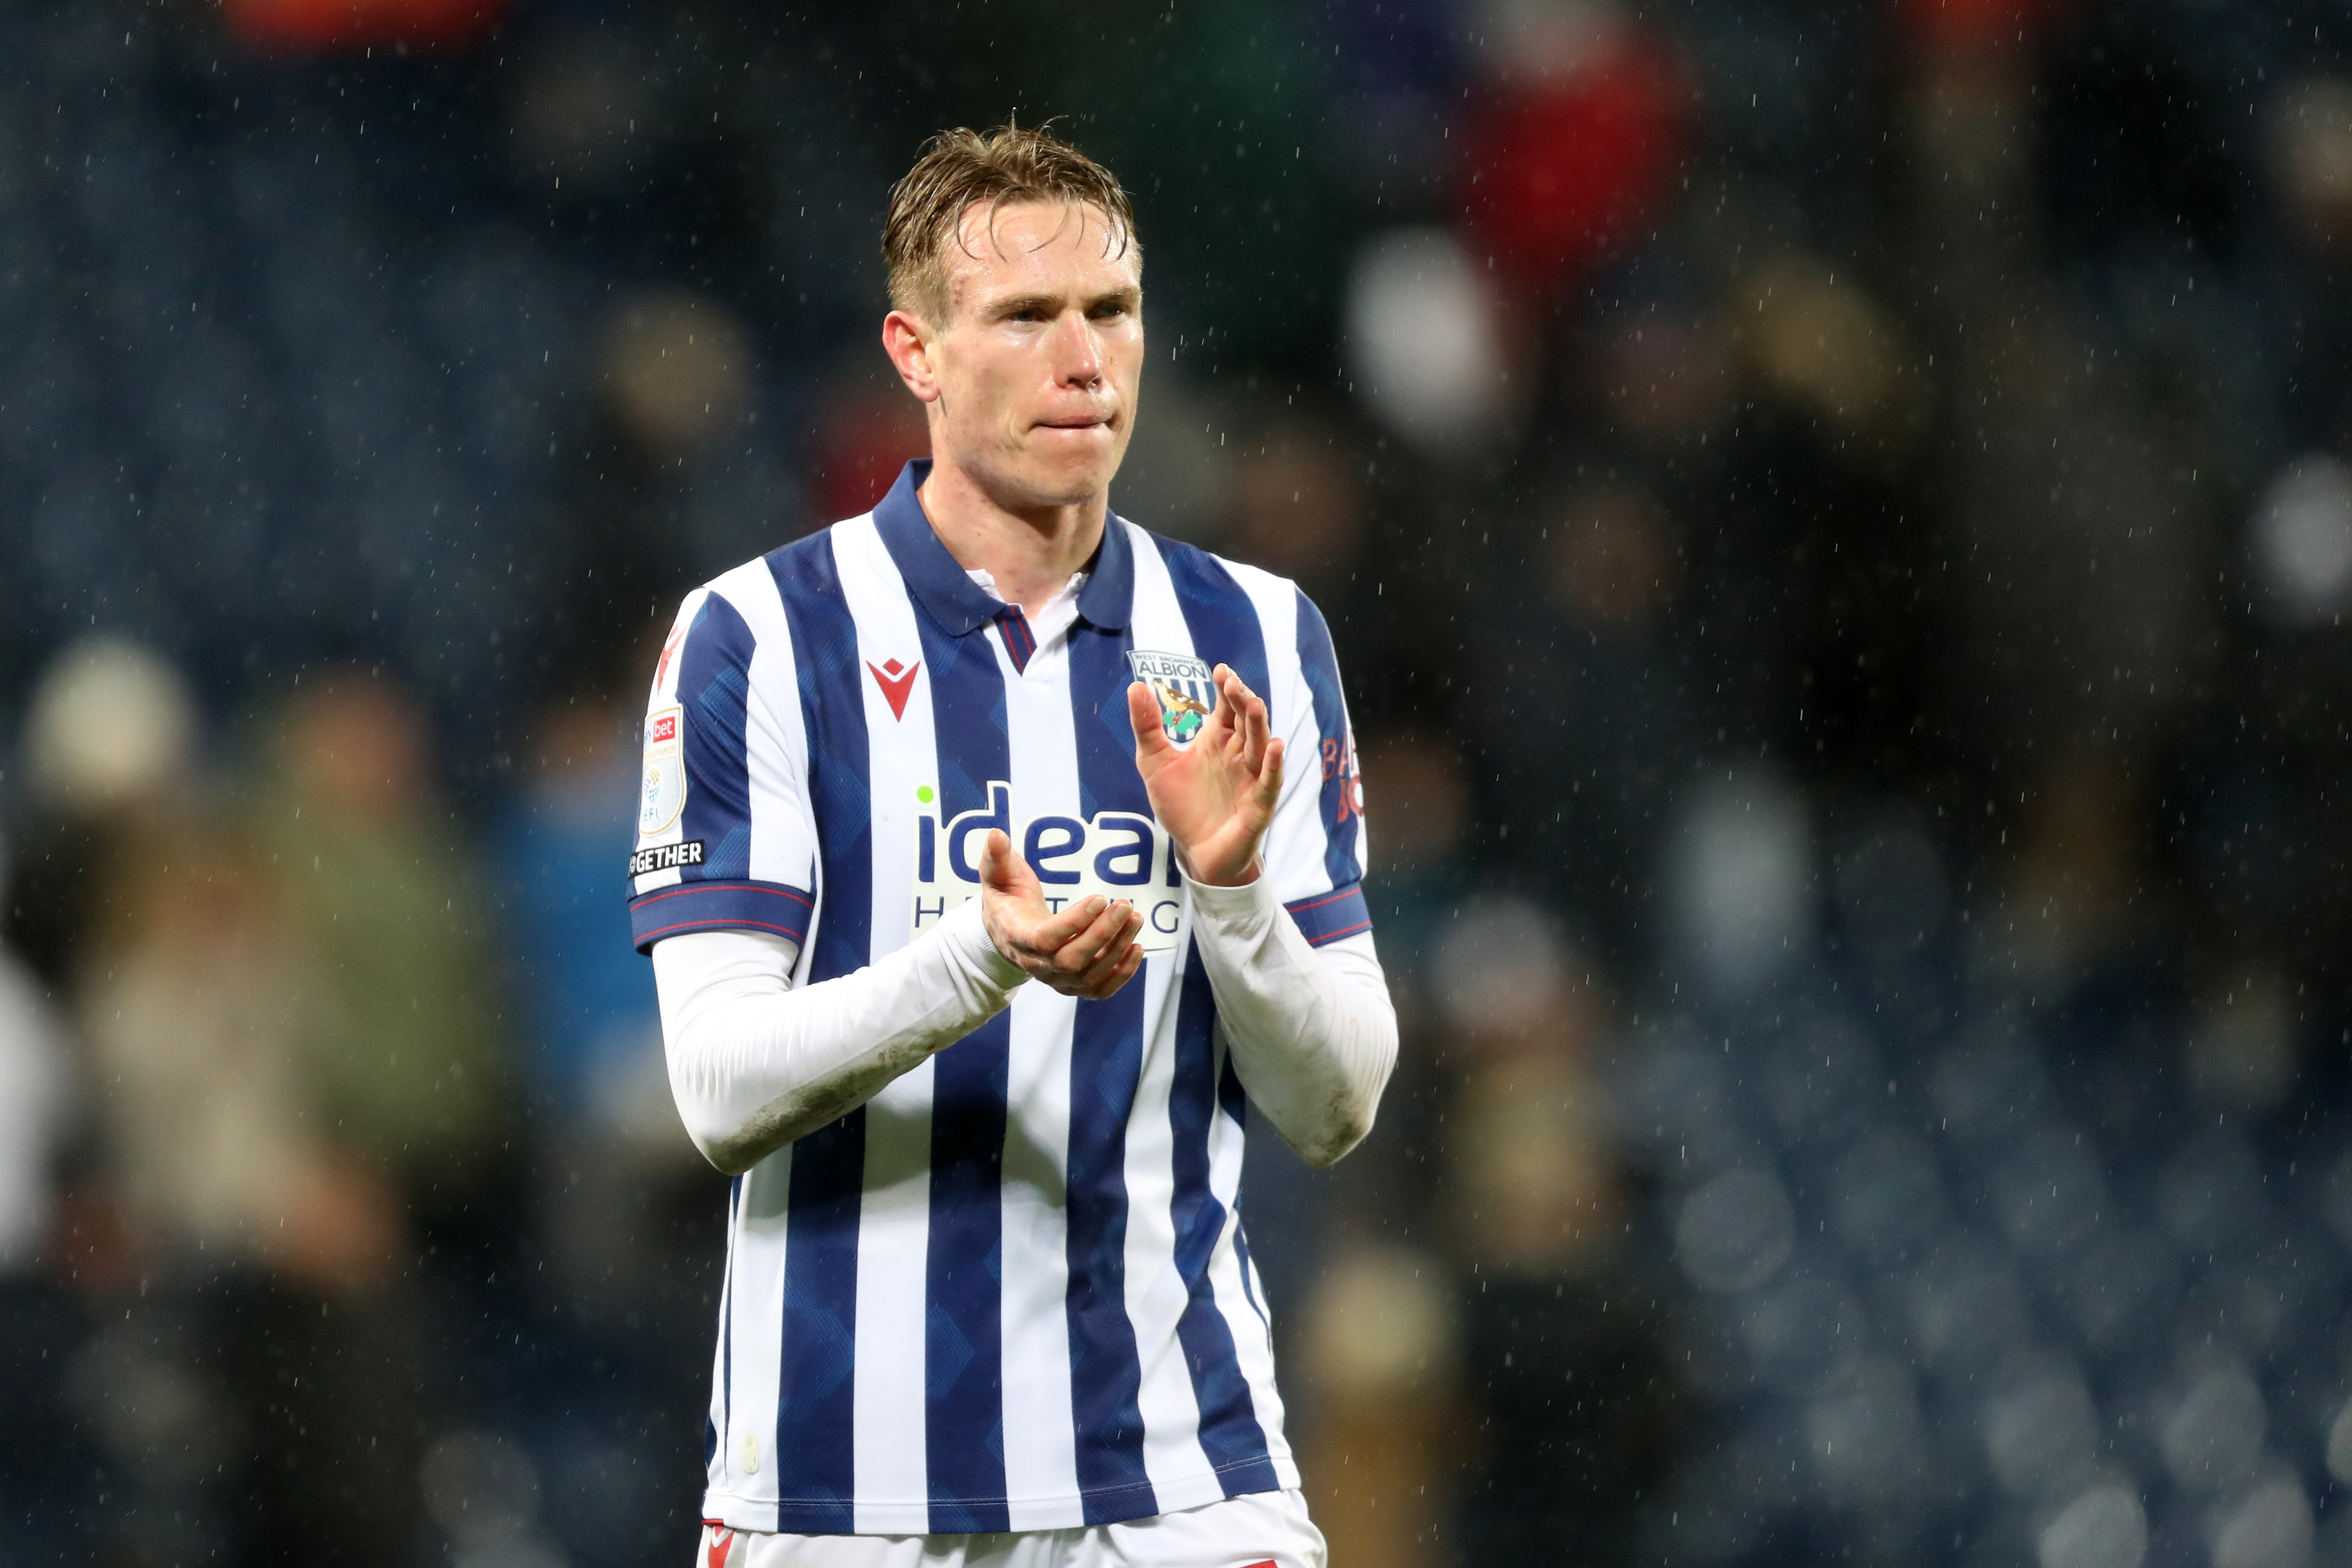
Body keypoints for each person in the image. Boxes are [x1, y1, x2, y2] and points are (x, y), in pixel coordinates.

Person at [628, 124, 1397, 1567]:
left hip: (1183, 1485)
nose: (1084, 358)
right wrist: (974, 959)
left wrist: (1230, 894)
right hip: (841, 1496)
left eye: (1111, 311)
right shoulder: (760, 637)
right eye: (1027, 317)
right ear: (916, 353)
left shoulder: (1255, 638)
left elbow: (1337, 1103)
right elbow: (717, 1093)